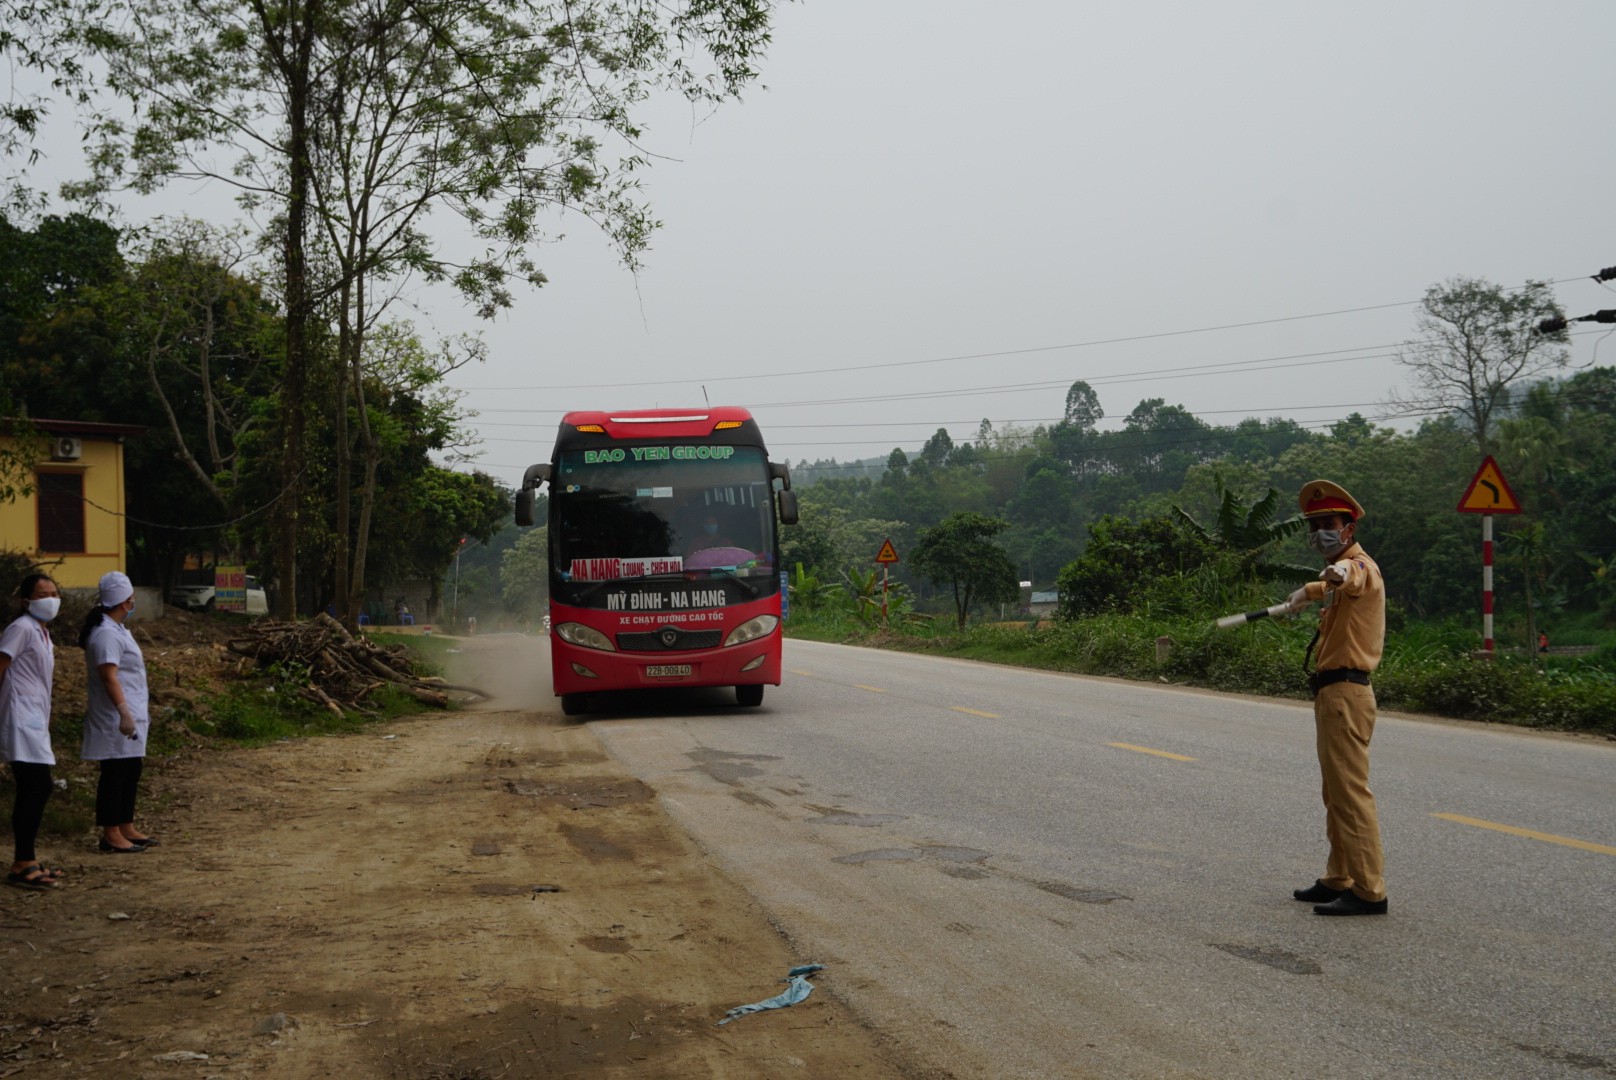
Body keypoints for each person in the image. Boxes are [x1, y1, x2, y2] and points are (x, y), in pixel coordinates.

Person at [1285, 480, 1388, 916]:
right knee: (1335, 792)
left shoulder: (1360, 567)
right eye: (1314, 525)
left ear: (1348, 529)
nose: (1320, 532)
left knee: (1350, 791)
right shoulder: (1336, 575)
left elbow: (1351, 577)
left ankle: (1369, 891)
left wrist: (1336, 574)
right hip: (1333, 694)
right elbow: (1330, 585)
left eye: (1329, 524)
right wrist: (1308, 592)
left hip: (1346, 692)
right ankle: (1339, 876)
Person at [79, 571, 156, 854]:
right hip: (114, 716)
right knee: (115, 773)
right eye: (131, 597)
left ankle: (126, 825)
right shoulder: (105, 634)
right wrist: (124, 712)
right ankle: (111, 833)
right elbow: (108, 676)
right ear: (125, 602)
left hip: (130, 713)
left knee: (131, 768)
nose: (133, 601)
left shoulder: (118, 629)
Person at [1, 572, 65, 890]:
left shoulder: (42, 633)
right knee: (36, 786)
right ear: (27, 601)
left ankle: (28, 858)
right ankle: (22, 862)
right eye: (42, 595)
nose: (51, 599)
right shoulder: (21, 628)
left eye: (54, 593)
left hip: (34, 719)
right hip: (19, 717)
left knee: (35, 788)